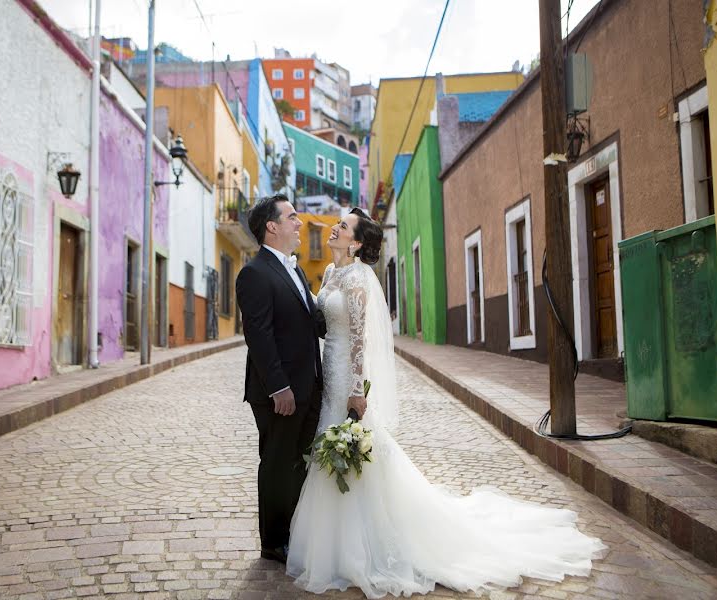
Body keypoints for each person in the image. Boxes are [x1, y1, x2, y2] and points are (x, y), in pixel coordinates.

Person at [286, 208, 606, 598]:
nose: (335, 227)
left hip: (345, 380)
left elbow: (359, 341)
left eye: (343, 226)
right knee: (333, 448)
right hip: (328, 374)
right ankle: (335, 546)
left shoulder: (356, 280)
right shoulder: (332, 274)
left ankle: (363, 548)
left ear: (354, 243)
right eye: (337, 224)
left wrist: (357, 390)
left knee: (357, 448)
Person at [235, 194, 323, 565]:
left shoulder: (296, 270)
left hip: (310, 386)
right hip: (280, 392)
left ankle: (294, 533)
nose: (299, 223)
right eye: (292, 217)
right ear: (272, 226)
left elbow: (313, 323)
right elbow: (260, 336)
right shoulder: (254, 274)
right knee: (276, 463)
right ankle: (273, 542)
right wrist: (278, 387)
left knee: (299, 463)